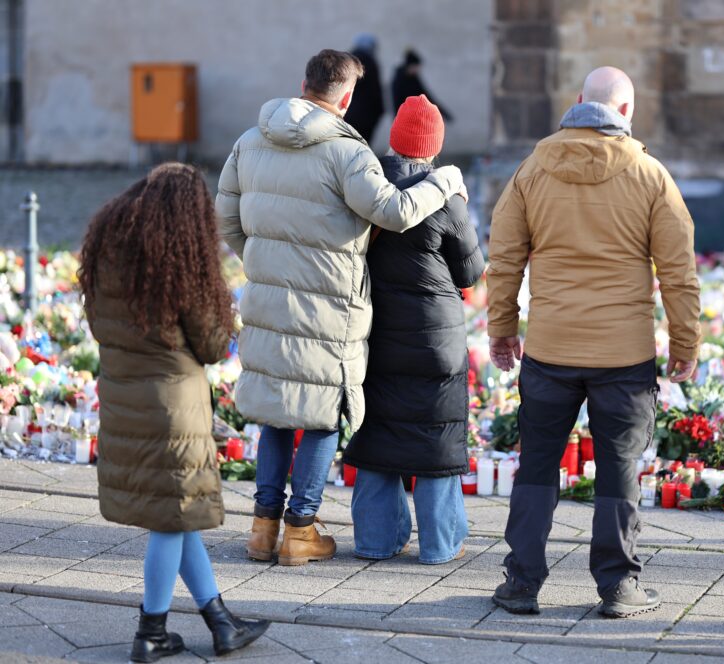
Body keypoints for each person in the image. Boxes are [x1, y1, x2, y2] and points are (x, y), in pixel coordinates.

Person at [216, 49, 466, 567]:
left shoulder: (249, 140)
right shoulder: (345, 152)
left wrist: (266, 262)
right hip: (329, 306)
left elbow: (227, 219)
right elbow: (394, 212)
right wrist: (443, 183)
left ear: (302, 83)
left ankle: (262, 530)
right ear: (347, 98)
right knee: (322, 414)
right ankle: (301, 529)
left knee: (278, 414)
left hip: (268, 297)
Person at [487, 67, 701, 618]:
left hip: (550, 350)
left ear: (578, 102)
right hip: (622, 356)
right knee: (618, 468)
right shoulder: (651, 175)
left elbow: (505, 257)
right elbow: (678, 271)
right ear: (627, 113)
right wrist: (685, 342)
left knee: (537, 464)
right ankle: (618, 587)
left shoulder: (533, 169)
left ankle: (522, 582)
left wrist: (503, 329)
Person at [79, 163, 269, 662]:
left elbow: (100, 324)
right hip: (172, 411)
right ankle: (151, 631)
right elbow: (209, 343)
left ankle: (220, 621)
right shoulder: (178, 261)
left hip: (124, 399)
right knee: (170, 521)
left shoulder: (107, 247)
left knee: (176, 516)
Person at [343, 95, 485, 564]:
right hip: (433, 340)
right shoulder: (444, 196)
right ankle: (441, 544)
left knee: (377, 433)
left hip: (373, 333)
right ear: (435, 146)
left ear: (394, 139)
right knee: (436, 437)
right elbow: (469, 272)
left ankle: (376, 540)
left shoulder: (365, 186)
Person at [344, 33, 385, 144]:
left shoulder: (345, 62)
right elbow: (374, 91)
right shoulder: (371, 63)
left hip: (346, 113)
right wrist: (380, 110)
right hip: (367, 115)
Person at [392, 49, 453, 122]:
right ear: (411, 65)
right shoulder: (399, 80)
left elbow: (427, 96)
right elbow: (396, 102)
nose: (418, 69)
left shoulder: (414, 78)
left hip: (413, 118)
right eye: (417, 66)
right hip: (403, 119)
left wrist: (443, 113)